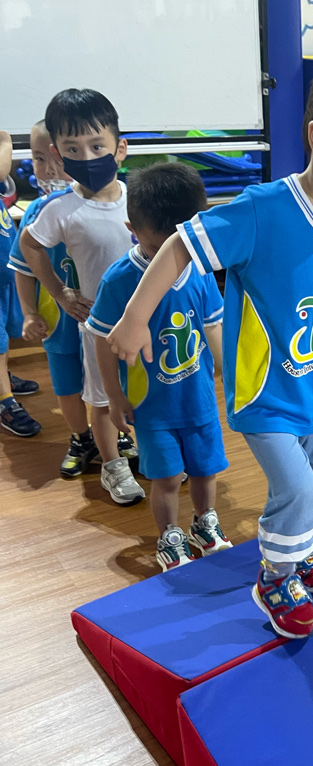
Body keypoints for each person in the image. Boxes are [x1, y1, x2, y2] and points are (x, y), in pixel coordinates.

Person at [108, 50, 313, 636]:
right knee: (296, 490)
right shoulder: (263, 211)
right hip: (265, 395)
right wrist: (134, 317)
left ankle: (301, 559)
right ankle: (275, 578)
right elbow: (180, 245)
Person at [90, 163, 232, 571]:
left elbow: (214, 326)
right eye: (157, 248)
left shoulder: (200, 270)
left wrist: (232, 378)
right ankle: (169, 536)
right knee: (167, 478)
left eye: (179, 245)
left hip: (199, 400)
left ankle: (205, 524)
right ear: (132, 229)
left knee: (205, 470)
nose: (169, 258)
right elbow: (102, 340)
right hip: (152, 407)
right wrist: (114, 397)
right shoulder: (119, 280)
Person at [18, 89, 144, 502]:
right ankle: (112, 466)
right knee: (102, 399)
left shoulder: (139, 199)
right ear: (58, 153)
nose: (87, 157)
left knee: (147, 391)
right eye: (73, 149)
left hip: (146, 322)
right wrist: (60, 293)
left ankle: (151, 453)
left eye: (97, 146)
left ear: (119, 148)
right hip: (98, 327)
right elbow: (30, 245)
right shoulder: (60, 209)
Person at [8, 120, 96, 474]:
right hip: (59, 322)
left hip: (100, 320)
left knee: (108, 382)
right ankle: (81, 438)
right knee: (67, 386)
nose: (48, 169)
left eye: (58, 159)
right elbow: (22, 268)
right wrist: (30, 313)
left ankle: (117, 435)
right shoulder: (35, 213)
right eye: (38, 159)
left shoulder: (101, 205)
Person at [0, 128, 41, 437]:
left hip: (4, 274)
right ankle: (4, 400)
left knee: (5, 332)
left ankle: (3, 375)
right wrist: (3, 138)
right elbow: (3, 152)